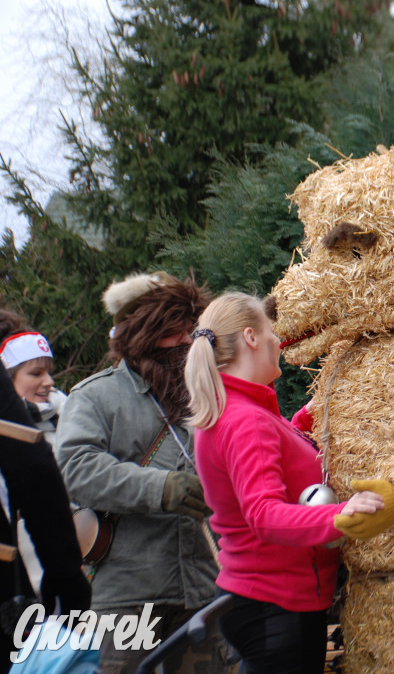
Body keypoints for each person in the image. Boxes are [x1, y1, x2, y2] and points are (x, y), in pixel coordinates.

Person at [184, 292, 394, 674]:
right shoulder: (246, 421)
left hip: (265, 601)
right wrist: (340, 515)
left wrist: (316, 410)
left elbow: (277, 448)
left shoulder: (242, 411)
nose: (278, 342)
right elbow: (264, 514)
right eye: (271, 332)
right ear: (251, 338)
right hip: (277, 605)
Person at [55, 272, 228, 674]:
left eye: (191, 330)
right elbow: (76, 468)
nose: (187, 341)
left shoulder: (206, 397)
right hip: (127, 599)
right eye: (172, 331)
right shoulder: (94, 396)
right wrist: (160, 487)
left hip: (203, 591)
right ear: (140, 334)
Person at [0, 359, 90, 672]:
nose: (48, 382)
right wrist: (66, 573)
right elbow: (34, 469)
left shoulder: (69, 413)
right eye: (35, 374)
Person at [0, 315, 65, 451]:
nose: (49, 381)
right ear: (6, 379)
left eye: (49, 373)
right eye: (36, 373)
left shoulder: (71, 417)